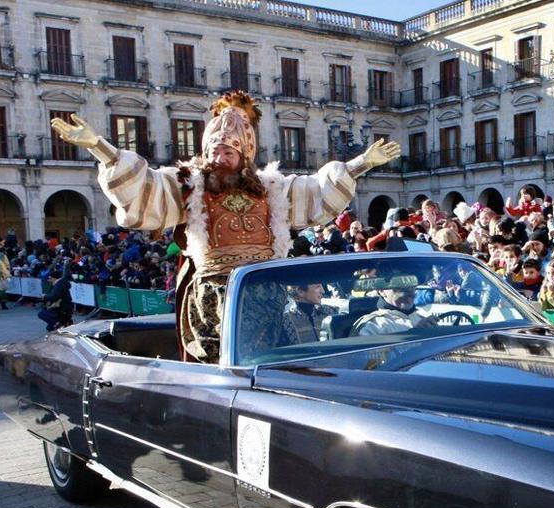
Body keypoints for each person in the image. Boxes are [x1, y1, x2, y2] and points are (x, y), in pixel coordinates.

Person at [50, 90, 400, 363]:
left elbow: (317, 193)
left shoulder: (271, 189)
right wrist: (101, 147)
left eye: (229, 152)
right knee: (221, 364)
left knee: (278, 361)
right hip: (213, 297)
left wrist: (361, 163)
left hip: (266, 292)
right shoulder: (189, 184)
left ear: (244, 156)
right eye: (215, 151)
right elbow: (146, 189)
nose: (220, 158)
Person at [352, 275, 439, 336]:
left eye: (412, 284)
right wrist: (415, 333)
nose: (410, 290)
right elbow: (367, 361)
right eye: (400, 285)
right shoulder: (372, 326)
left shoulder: (423, 315)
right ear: (381, 290)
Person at [38, 266, 73, 331]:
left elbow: (54, 296)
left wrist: (44, 296)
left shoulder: (59, 284)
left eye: (50, 278)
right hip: (63, 306)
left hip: (63, 308)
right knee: (50, 327)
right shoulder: (60, 283)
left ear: (53, 278)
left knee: (42, 314)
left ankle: (60, 326)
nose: (49, 280)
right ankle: (61, 324)